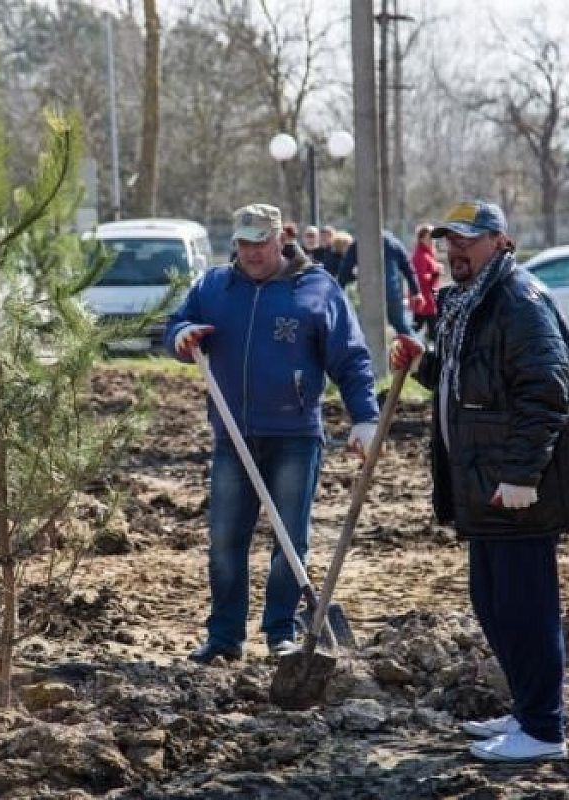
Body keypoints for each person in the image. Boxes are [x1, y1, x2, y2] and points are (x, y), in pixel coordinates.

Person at [389, 200, 569, 764]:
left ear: (500, 241)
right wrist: (423, 362)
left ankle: (543, 728)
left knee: (524, 607)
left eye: (468, 240)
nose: (455, 251)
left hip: (515, 489)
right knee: (492, 603)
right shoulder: (473, 303)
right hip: (484, 486)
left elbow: (546, 391)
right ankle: (526, 710)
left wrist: (522, 475)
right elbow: (469, 377)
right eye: (450, 240)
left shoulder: (518, 302)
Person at [166, 203, 380, 664]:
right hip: (233, 435)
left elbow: (351, 358)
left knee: (289, 541)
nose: (251, 252)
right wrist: (182, 335)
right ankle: (224, 637)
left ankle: (281, 631)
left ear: (282, 237)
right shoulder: (214, 287)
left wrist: (365, 416)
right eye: (242, 243)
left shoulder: (317, 289)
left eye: (259, 242)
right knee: (225, 540)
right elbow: (174, 325)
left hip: (295, 435)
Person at [337, 229, 421, 335]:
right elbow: (408, 268)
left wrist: (339, 289)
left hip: (369, 293)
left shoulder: (360, 243)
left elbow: (345, 271)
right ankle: (418, 347)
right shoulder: (394, 242)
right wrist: (416, 292)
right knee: (400, 325)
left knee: (364, 327)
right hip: (392, 292)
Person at [411, 223, 443, 340]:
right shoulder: (421, 255)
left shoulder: (428, 254)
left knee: (421, 330)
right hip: (425, 302)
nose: (433, 241)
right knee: (430, 333)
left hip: (429, 301)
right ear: (421, 239)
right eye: (430, 237)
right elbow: (421, 278)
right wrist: (435, 273)